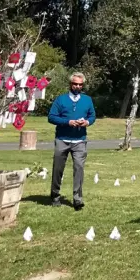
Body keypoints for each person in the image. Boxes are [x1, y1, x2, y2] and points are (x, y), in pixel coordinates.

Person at [47, 72, 97, 211]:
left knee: (79, 168)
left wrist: (87, 122)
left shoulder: (87, 100)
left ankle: (77, 199)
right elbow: (51, 117)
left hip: (80, 141)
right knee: (58, 169)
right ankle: (55, 195)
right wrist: (68, 122)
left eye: (80, 84)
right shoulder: (61, 100)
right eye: (75, 84)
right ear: (70, 84)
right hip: (62, 139)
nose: (77, 86)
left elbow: (92, 116)